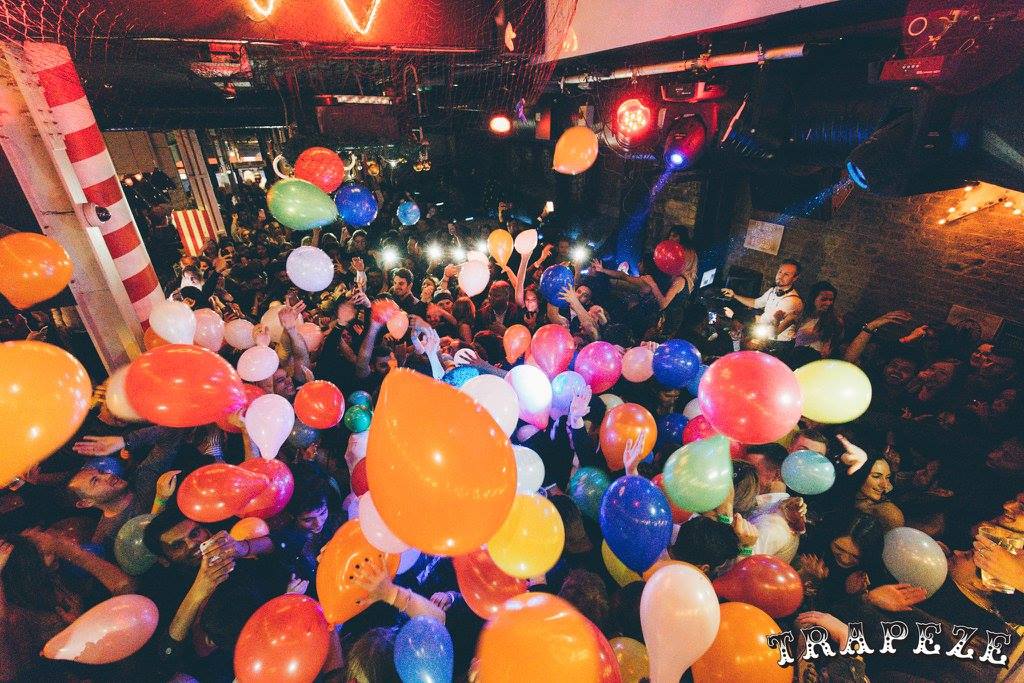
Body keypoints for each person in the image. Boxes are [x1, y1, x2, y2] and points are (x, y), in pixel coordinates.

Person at [721, 258, 804, 347]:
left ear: (795, 278)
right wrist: (734, 295)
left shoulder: (791, 301)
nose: (780, 276)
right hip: (766, 337)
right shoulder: (773, 290)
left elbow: (764, 320)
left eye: (786, 274)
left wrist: (733, 316)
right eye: (780, 272)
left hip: (777, 344)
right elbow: (755, 303)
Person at [794, 281, 844, 358]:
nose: (828, 303)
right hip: (796, 355)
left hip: (814, 358)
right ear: (813, 299)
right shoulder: (803, 314)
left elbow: (829, 348)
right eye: (824, 299)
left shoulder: (834, 321)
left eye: (831, 300)